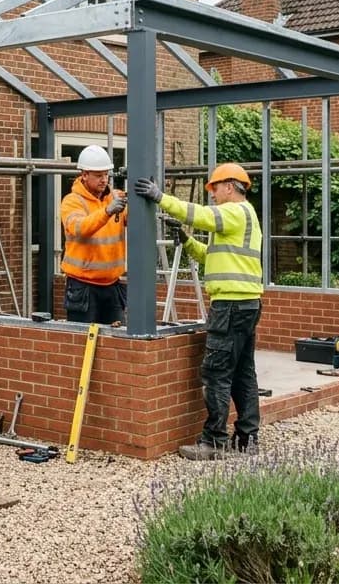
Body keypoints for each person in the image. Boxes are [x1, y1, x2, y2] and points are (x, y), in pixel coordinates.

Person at [133, 164, 263, 460]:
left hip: (231, 306)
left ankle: (213, 442)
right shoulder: (246, 216)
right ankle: (247, 439)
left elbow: (199, 215)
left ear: (229, 186)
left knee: (216, 372)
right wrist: (189, 242)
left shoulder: (234, 212)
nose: (213, 195)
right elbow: (213, 256)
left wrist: (159, 197)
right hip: (246, 304)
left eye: (214, 188)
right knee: (243, 373)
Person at [59, 145, 128, 325]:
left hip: (112, 285)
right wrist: (107, 212)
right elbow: (79, 227)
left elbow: (136, 222)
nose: (104, 180)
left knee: (118, 343)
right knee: (83, 344)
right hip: (82, 287)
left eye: (106, 175)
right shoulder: (72, 201)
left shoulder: (115, 198)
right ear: (84, 175)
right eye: (98, 175)